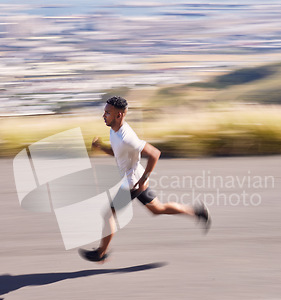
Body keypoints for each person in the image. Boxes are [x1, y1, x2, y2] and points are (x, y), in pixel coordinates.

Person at [79, 96, 211, 262]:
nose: (103, 115)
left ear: (119, 115)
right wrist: (102, 148)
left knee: (107, 215)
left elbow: (155, 153)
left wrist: (143, 179)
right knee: (157, 209)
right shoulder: (114, 130)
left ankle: (100, 253)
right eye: (104, 112)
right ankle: (197, 212)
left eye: (107, 112)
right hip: (135, 179)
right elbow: (119, 153)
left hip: (131, 184)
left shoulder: (127, 137)